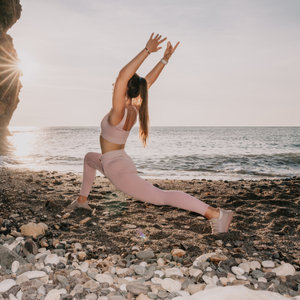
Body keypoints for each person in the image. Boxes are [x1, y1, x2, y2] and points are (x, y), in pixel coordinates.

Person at [67, 33, 233, 234]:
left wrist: (147, 51)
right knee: (89, 158)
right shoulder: (134, 108)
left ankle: (216, 215)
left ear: (125, 88)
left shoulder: (119, 112)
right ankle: (82, 201)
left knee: (161, 197)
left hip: (117, 169)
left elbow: (122, 76)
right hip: (114, 161)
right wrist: (164, 60)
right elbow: (147, 83)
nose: (115, 84)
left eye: (120, 84)